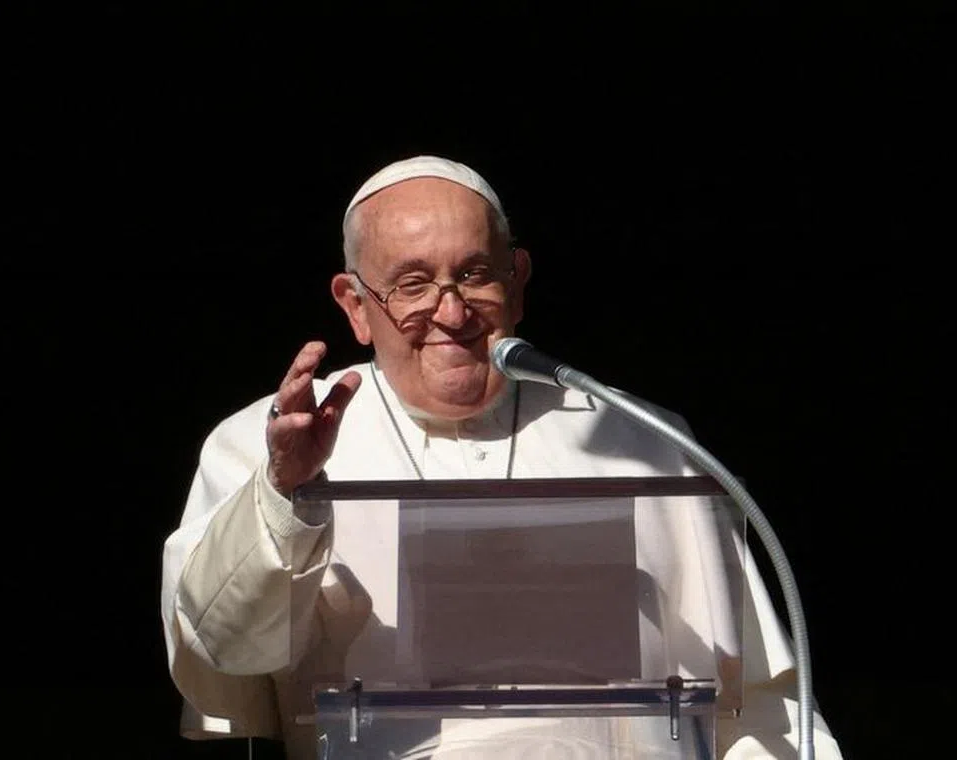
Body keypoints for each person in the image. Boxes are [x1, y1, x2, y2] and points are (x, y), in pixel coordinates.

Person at [160, 155, 843, 759]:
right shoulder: (267, 439)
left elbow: (755, 705)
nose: (452, 314)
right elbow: (231, 649)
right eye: (413, 284)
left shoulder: (643, 441)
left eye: (475, 274)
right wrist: (285, 493)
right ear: (356, 305)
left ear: (517, 280)